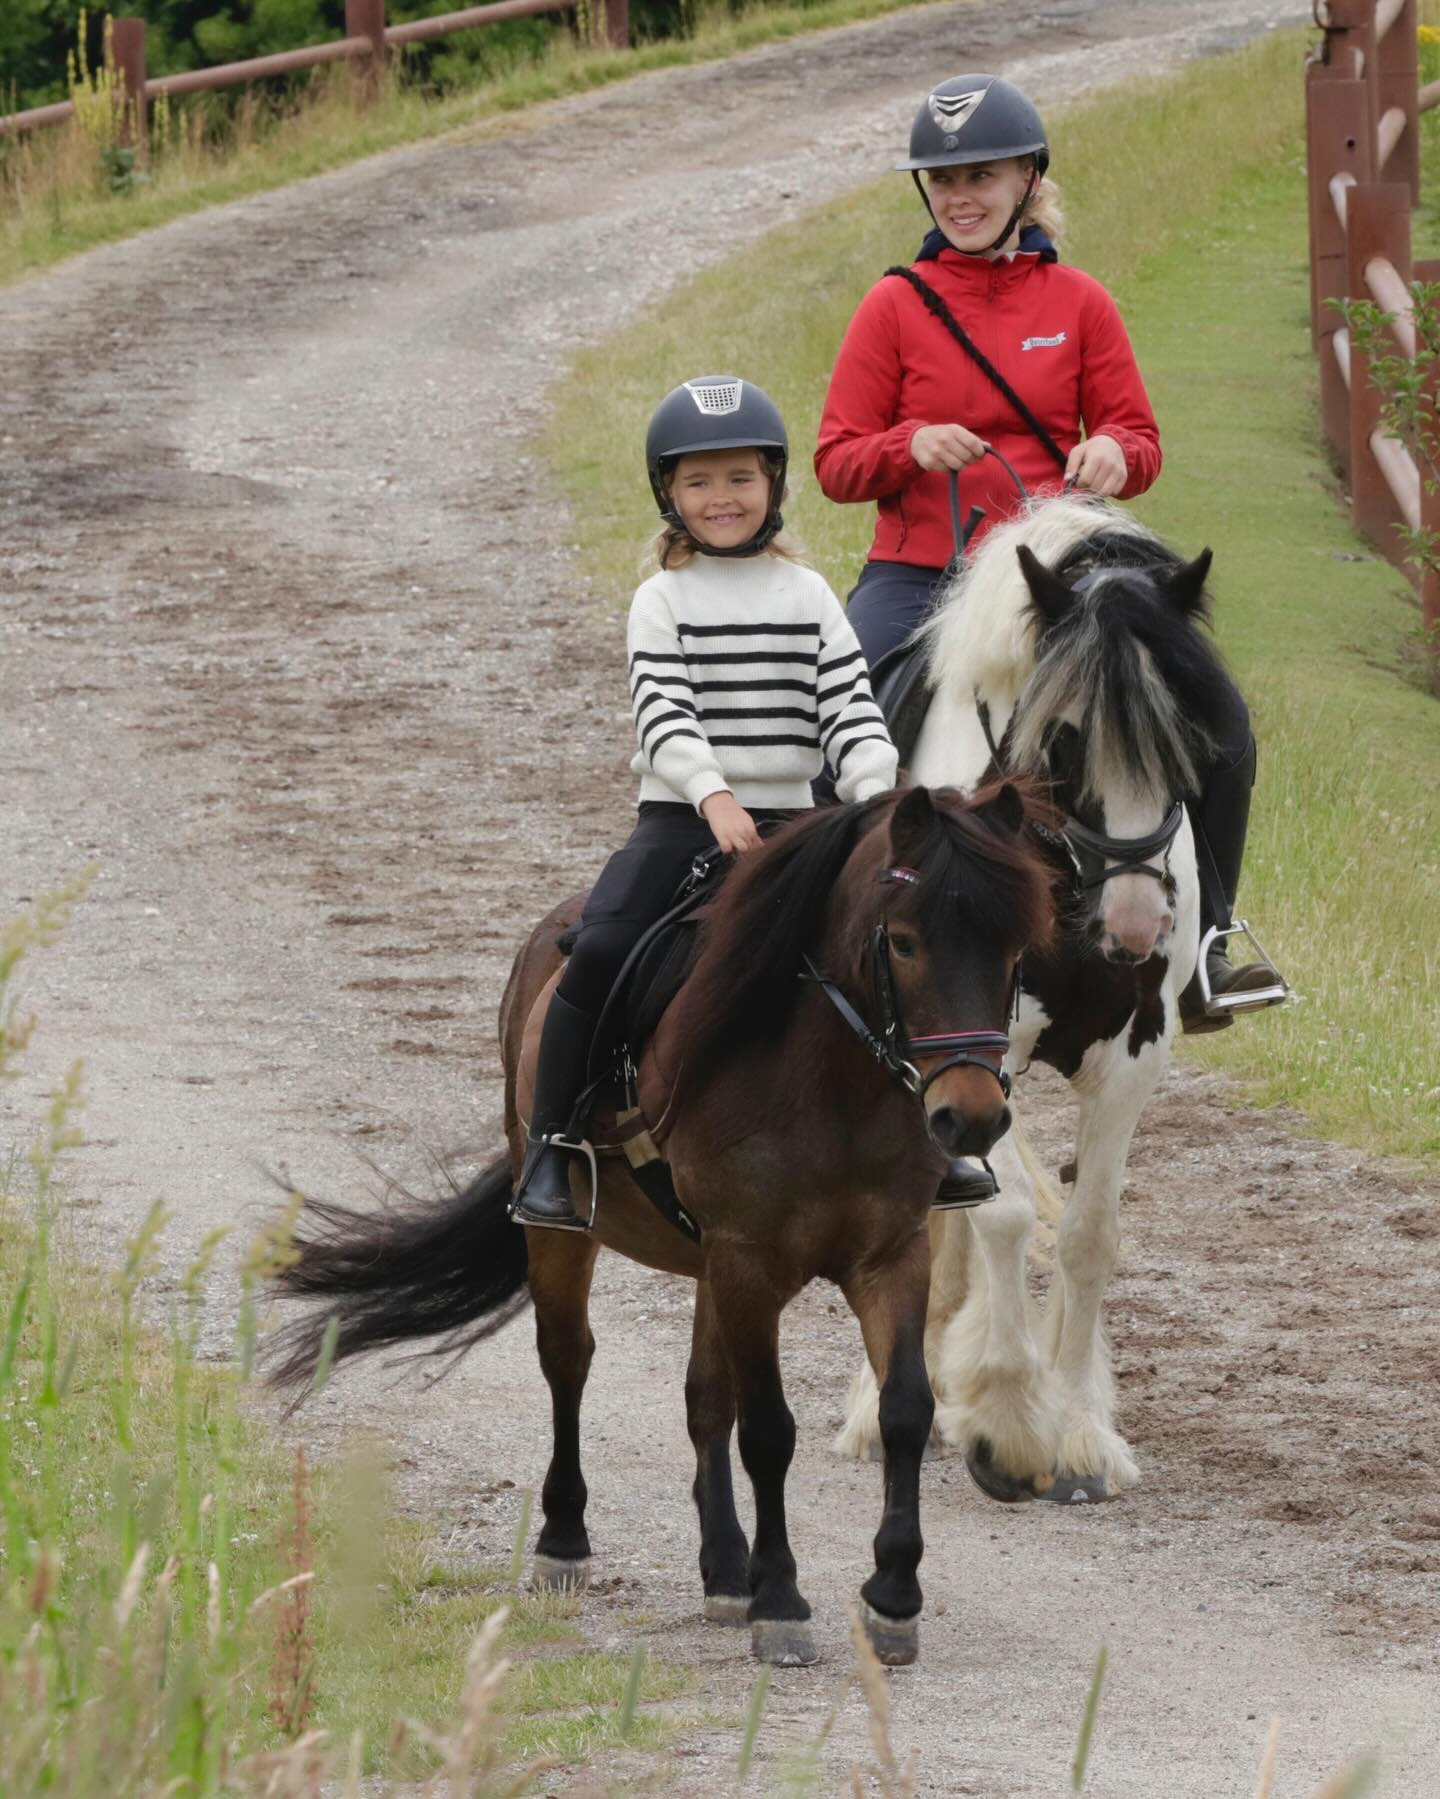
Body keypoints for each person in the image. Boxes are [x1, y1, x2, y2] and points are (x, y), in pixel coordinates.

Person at [814, 74, 1278, 1074]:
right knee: (832, 707)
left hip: (1065, 574)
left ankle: (1209, 943)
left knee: (1223, 721)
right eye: (941, 181)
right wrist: (907, 445)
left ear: (1029, 178)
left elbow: (1138, 437)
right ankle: (814, 951)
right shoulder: (893, 306)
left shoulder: (1079, 301)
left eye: (981, 176)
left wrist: (1114, 456)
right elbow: (836, 459)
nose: (959, 196)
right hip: (923, 567)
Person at [512, 375, 899, 1231]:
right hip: (684, 819)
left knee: (901, 941)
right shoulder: (662, 599)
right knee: (604, 947)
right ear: (668, 494)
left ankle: (926, 1143)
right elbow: (664, 711)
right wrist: (715, 797)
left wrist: (880, 796)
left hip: (798, 825)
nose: (720, 498)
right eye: (698, 482)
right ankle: (553, 1146)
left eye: (738, 478)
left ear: (773, 485)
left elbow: (850, 710)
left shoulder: (810, 596)